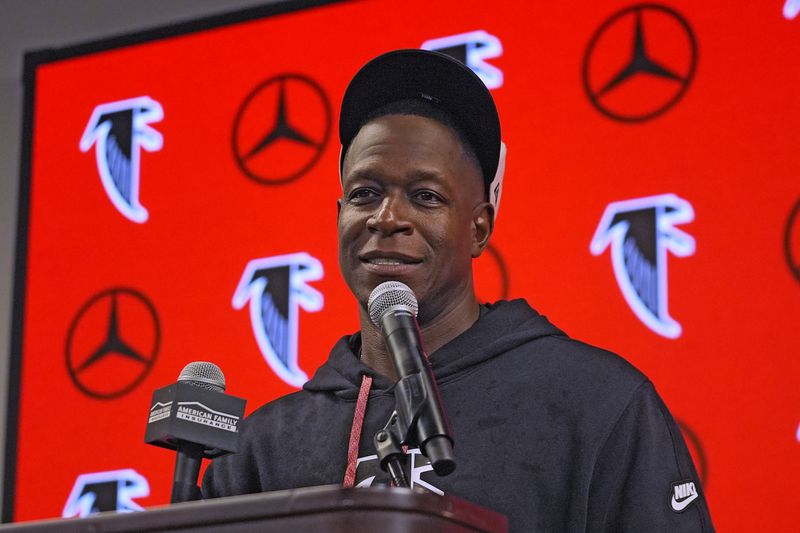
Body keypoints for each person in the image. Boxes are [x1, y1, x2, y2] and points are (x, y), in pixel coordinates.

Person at [203, 49, 714, 532]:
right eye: (365, 194)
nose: (387, 218)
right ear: (340, 218)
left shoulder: (598, 403)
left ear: (479, 228)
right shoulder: (262, 448)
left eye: (425, 196)